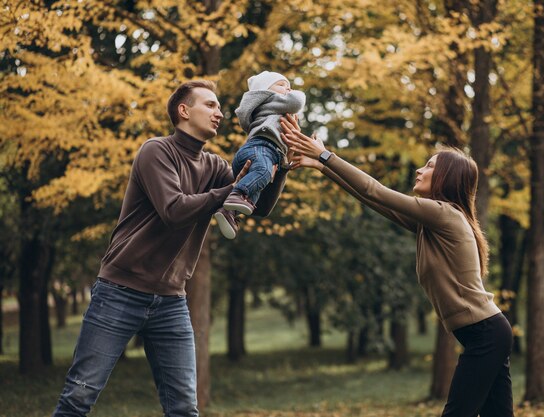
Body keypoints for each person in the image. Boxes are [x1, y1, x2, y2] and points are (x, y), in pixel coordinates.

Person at [52, 80, 287, 416]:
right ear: (183, 110)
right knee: (78, 397)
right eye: (210, 105)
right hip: (120, 292)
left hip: (172, 302)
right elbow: (173, 210)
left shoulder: (216, 167)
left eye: (219, 107)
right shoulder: (156, 151)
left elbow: (259, 206)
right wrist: (232, 191)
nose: (219, 113)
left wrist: (281, 162)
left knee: (183, 409)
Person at [281, 115, 514, 417]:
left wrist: (325, 155)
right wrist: (323, 167)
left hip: (485, 333)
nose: (420, 169)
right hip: (486, 332)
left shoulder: (443, 215)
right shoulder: (434, 223)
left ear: (448, 177)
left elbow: (375, 190)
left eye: (430, 166)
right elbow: (375, 201)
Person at [214, 71, 305, 239]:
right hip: (261, 149)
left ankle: (229, 213)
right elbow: (297, 102)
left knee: (252, 199)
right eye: (282, 85)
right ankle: (236, 193)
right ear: (264, 91)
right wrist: (294, 94)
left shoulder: (270, 111)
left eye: (289, 86)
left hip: (261, 153)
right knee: (262, 173)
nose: (288, 88)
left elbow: (263, 211)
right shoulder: (271, 100)